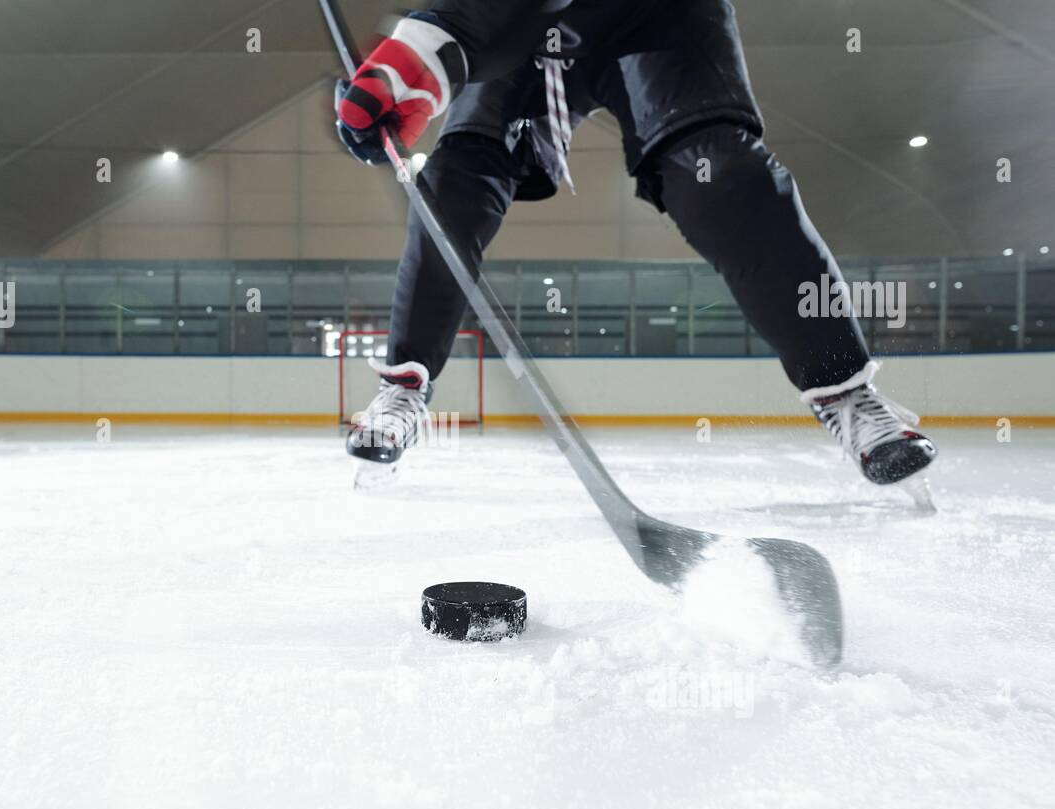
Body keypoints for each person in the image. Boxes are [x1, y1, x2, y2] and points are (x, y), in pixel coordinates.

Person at [333, 0, 937, 490]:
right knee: (453, 183)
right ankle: (404, 387)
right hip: (527, 22)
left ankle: (847, 392)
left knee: (724, 177)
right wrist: (401, 74)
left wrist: (412, 60)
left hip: (656, 17)